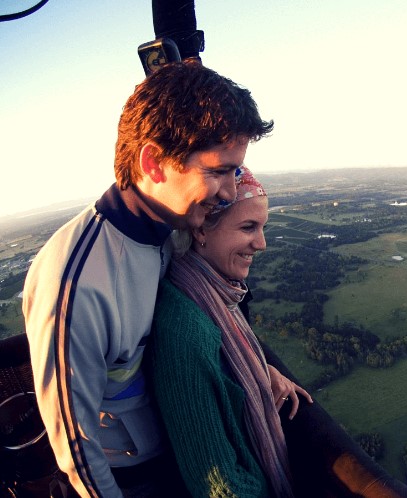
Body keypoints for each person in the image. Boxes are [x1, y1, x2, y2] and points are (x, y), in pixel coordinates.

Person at [21, 61, 273, 498]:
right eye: (216, 171)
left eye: (235, 172)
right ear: (153, 162)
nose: (230, 192)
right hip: (130, 479)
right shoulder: (76, 284)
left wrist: (261, 370)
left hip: (176, 451)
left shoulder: (167, 230)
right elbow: (76, 449)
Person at [148, 166, 313, 498]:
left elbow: (224, 368)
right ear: (201, 231)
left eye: (262, 227)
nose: (262, 243)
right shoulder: (184, 330)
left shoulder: (217, 294)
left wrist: (258, 370)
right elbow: (220, 486)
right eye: (248, 227)